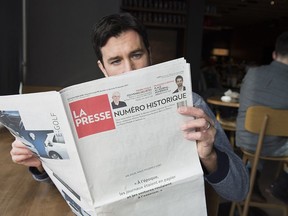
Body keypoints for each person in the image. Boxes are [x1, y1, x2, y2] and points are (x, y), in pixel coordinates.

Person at [10, 13, 248, 201]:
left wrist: (210, 157)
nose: (129, 70)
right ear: (103, 68)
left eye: (136, 55)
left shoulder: (191, 104)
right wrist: (42, 166)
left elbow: (238, 191)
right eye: (116, 61)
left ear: (150, 54)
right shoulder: (82, 114)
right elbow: (76, 185)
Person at [236, 31, 288, 204]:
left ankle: (250, 180)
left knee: (264, 135)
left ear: (274, 54)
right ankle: (283, 185)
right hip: (272, 145)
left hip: (244, 139)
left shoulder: (252, 73)